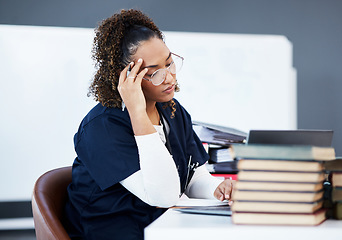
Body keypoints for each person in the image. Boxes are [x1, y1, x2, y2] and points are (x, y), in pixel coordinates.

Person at [64, 9, 235, 240]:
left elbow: (193, 175)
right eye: (155, 73)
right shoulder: (100, 128)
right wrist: (136, 110)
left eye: (170, 64)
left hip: (159, 227)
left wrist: (215, 189)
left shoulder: (172, 111)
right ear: (125, 76)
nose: (169, 78)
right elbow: (163, 196)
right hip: (111, 231)